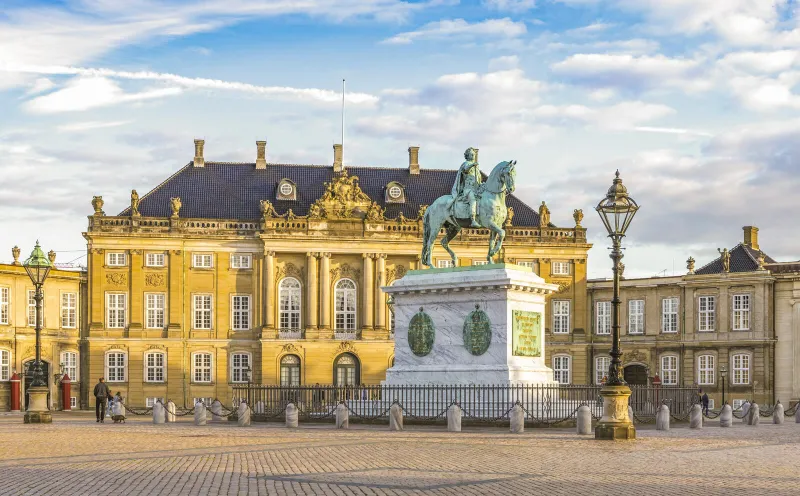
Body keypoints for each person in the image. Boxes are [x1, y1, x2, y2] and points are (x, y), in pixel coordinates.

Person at [451, 147, 482, 228]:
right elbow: (465, 170)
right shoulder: (466, 164)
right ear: (467, 156)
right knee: (473, 200)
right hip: (468, 189)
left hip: (476, 189)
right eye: (471, 154)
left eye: (474, 154)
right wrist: (472, 165)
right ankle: (473, 220)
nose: (473, 156)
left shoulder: (476, 168)